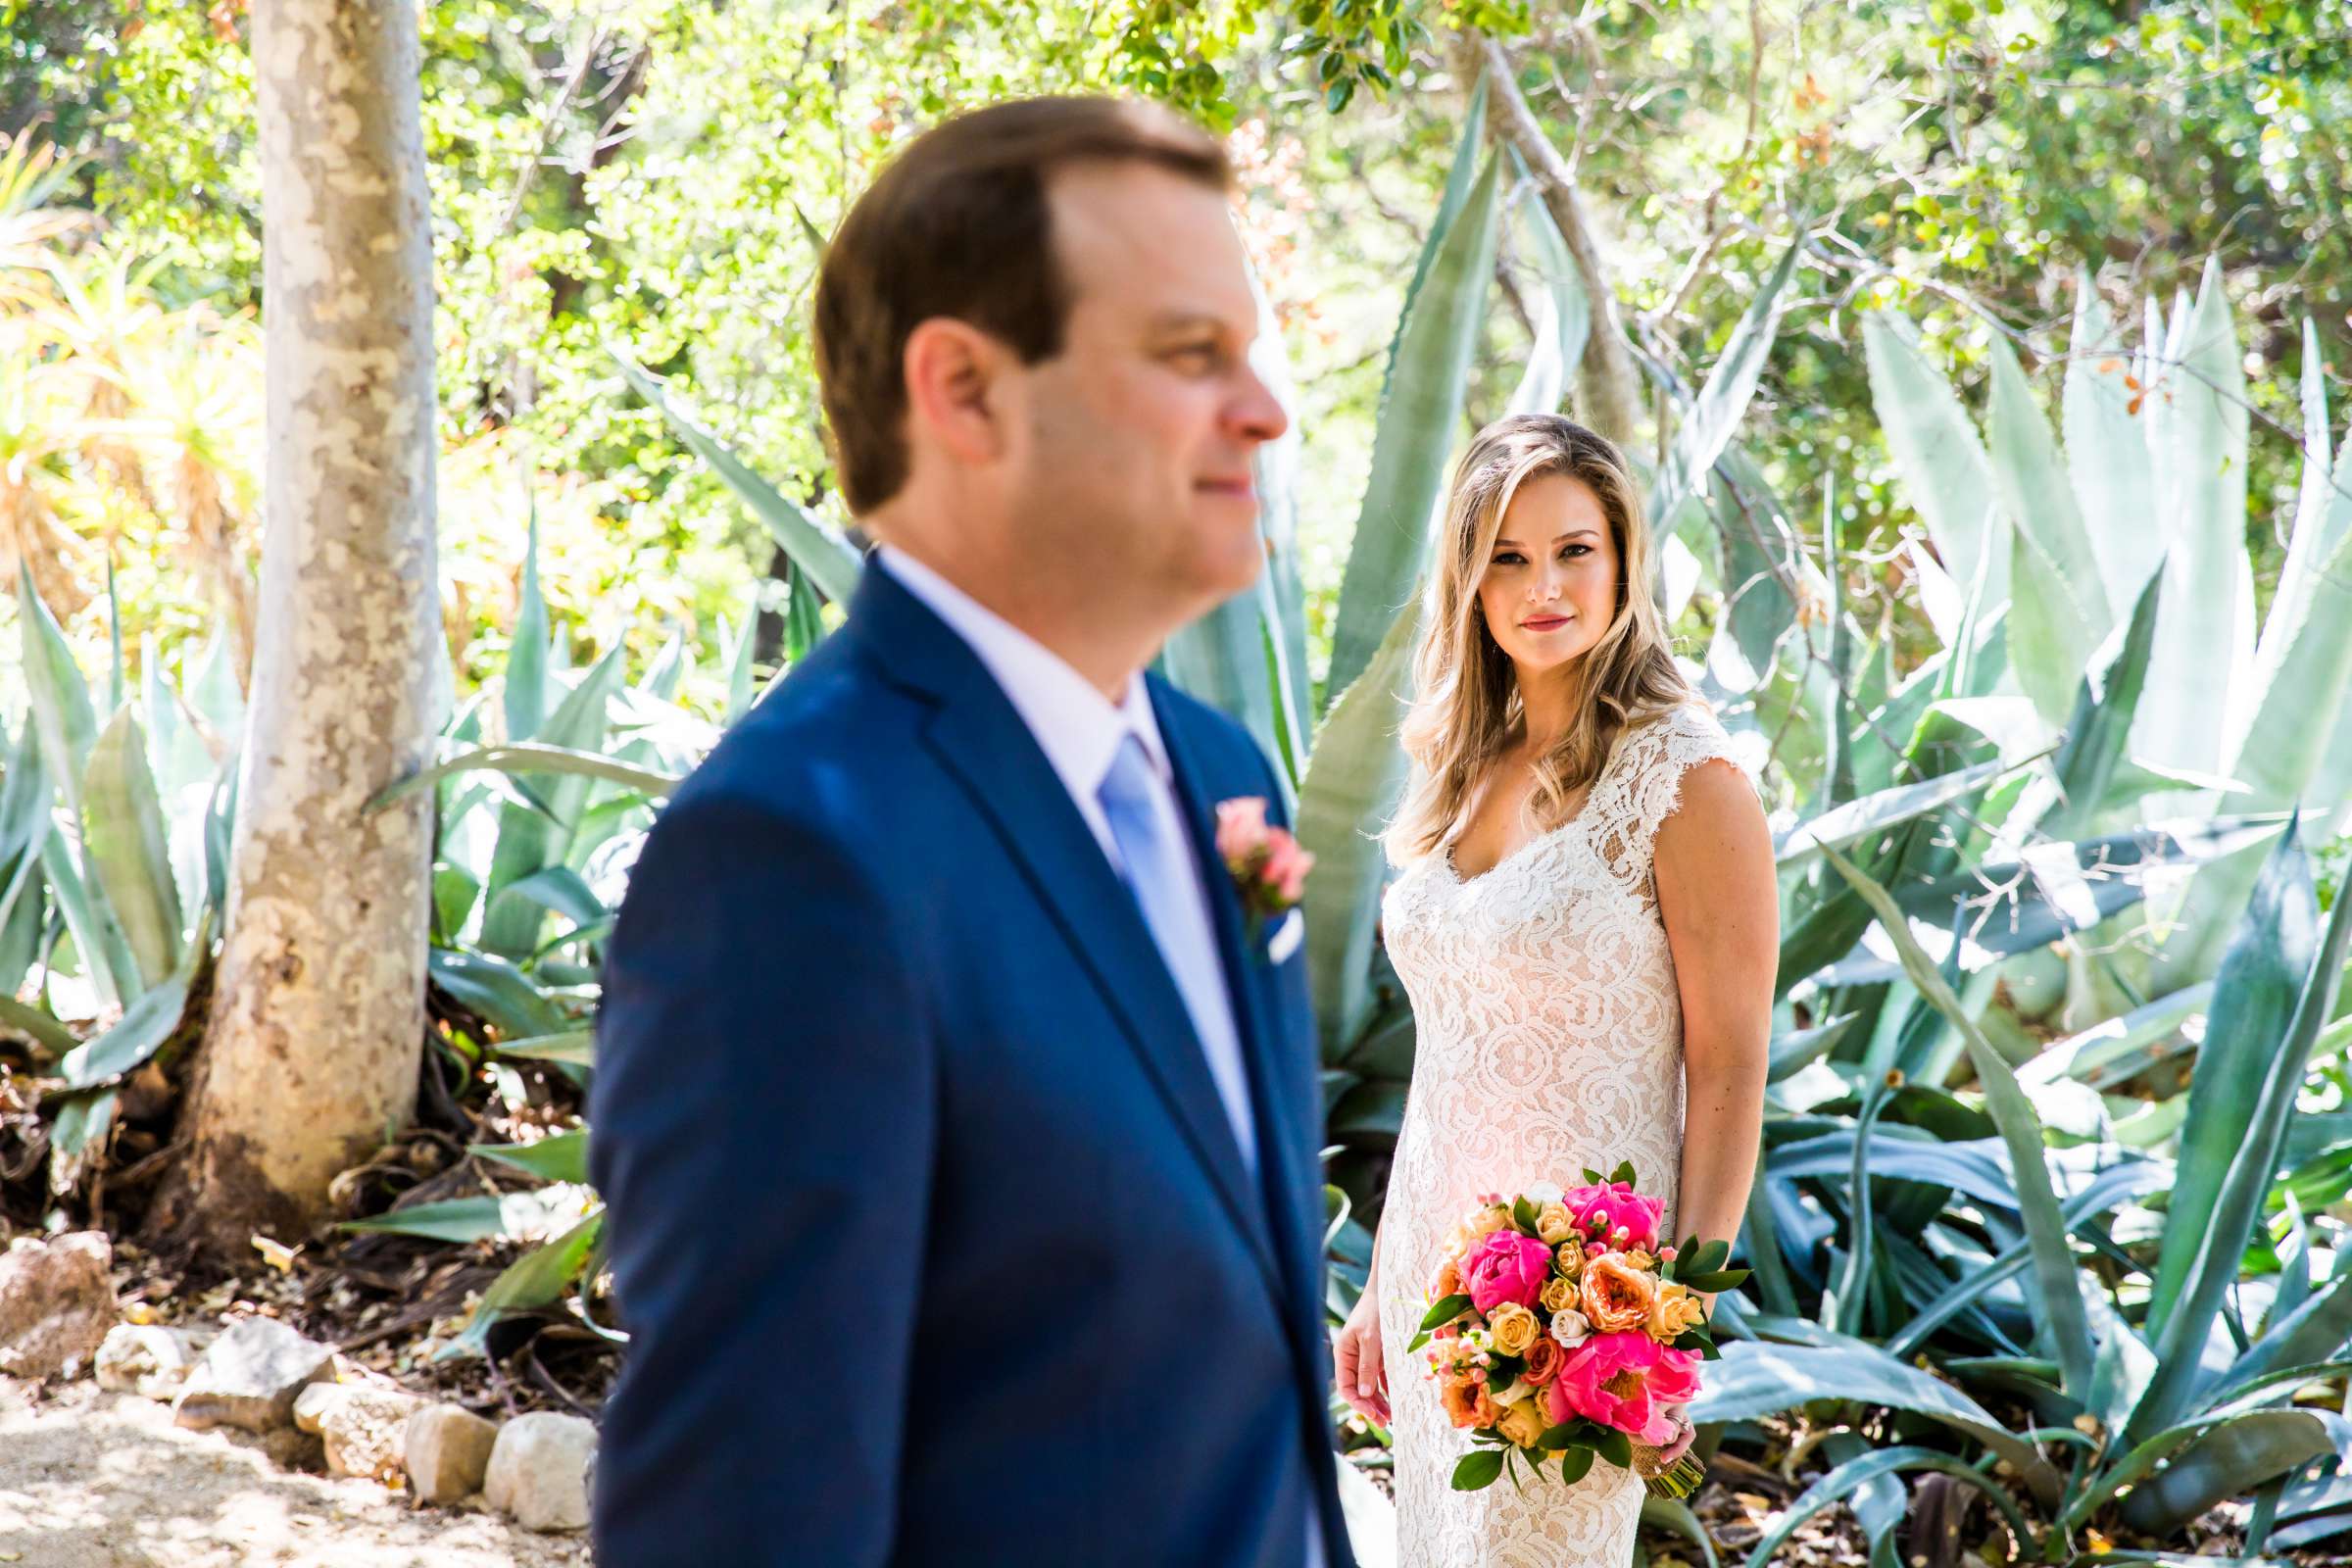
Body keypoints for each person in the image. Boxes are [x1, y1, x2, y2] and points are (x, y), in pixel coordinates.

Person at [588, 97, 1355, 1567]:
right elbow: (748, 1521)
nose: (1263, 410)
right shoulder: (793, 856)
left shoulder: (1225, 773)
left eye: (1251, 355)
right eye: (1193, 354)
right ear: (965, 391)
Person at [1329, 415, 1777, 1566]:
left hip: (1587, 1308)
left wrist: (1671, 1320)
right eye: (1509, 557)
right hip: (1442, 1277)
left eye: (1575, 549)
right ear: (1469, 582)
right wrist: (1385, 1276)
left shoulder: (1689, 779)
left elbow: (1728, 1065)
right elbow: (1449, 1053)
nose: (1545, 586)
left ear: (1625, 557)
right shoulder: (1461, 767)